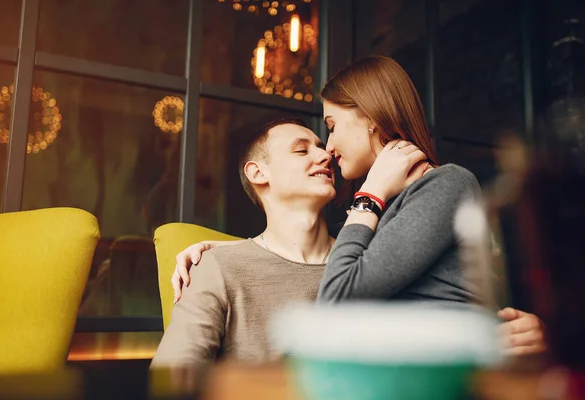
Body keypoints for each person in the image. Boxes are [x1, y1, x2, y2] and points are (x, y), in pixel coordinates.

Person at [169, 56, 547, 356]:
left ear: (369, 118)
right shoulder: (387, 212)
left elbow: (337, 295)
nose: (328, 149)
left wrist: (372, 191)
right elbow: (327, 256)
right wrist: (224, 250)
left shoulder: (444, 183)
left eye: (331, 126)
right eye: (307, 147)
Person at [151, 118, 342, 366]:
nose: (326, 155)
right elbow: (172, 375)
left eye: (321, 146)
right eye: (301, 150)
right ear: (258, 173)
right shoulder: (218, 267)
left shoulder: (367, 258)